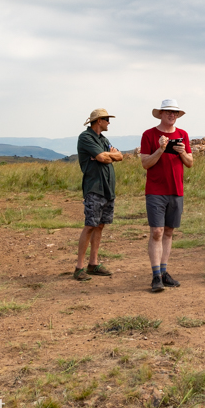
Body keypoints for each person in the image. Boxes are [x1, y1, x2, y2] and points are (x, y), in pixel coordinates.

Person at [140, 99, 193, 293]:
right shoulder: (149, 135)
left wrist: (181, 153)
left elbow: (190, 162)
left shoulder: (183, 135)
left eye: (175, 113)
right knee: (157, 232)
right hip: (155, 190)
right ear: (161, 113)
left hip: (176, 190)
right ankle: (155, 275)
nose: (172, 115)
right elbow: (146, 163)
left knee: (169, 231)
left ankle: (163, 273)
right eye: (169, 112)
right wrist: (160, 149)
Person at [75, 108, 125, 281]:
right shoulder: (86, 137)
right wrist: (105, 156)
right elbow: (103, 158)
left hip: (107, 189)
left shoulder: (103, 140)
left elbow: (119, 156)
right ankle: (79, 267)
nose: (109, 122)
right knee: (90, 225)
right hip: (94, 187)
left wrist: (107, 155)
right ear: (98, 121)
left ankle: (93, 264)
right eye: (106, 119)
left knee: (100, 225)